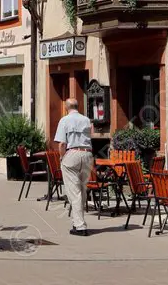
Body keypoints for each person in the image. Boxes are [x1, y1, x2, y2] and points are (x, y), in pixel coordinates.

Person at [54, 97, 93, 236]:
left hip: (72, 153)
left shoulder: (64, 120)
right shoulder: (86, 120)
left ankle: (80, 225)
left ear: (66, 107)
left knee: (74, 191)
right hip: (87, 154)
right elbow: (91, 136)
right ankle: (78, 221)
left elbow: (62, 144)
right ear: (77, 106)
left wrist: (61, 157)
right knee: (82, 190)